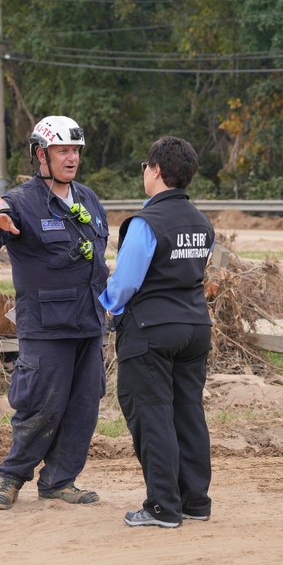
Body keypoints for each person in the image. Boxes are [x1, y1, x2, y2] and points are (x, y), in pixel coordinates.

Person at [0, 115, 110, 510]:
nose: (71, 158)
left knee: (83, 408)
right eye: (62, 150)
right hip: (46, 327)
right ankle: (9, 478)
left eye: (76, 151)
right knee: (39, 406)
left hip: (89, 323)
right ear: (39, 154)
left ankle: (60, 481)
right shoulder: (18, 201)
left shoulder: (88, 199)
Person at [99, 136, 215, 529]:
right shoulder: (202, 222)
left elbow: (126, 284)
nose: (144, 173)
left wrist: (106, 303)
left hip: (151, 330)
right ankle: (195, 501)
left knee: (152, 415)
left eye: (146, 167)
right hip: (196, 328)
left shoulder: (146, 223)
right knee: (188, 412)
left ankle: (162, 506)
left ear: (157, 171)